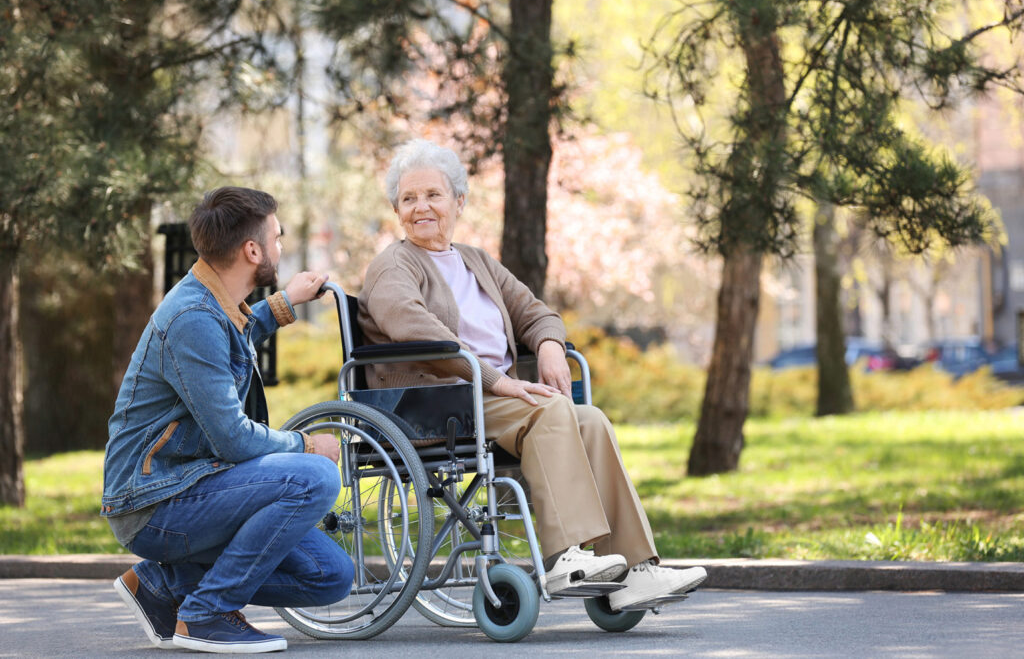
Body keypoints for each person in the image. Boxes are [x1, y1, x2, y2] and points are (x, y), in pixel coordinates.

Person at [357, 139, 706, 611]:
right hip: (435, 402)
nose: (421, 207)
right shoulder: (392, 266)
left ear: (459, 201)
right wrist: (496, 379)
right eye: (408, 198)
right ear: (397, 210)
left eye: (433, 195)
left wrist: (548, 347)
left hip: (489, 397)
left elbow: (533, 310)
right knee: (549, 411)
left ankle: (637, 569)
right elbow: (414, 328)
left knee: (592, 420)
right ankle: (567, 557)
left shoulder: (476, 261)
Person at [102, 187, 353, 653]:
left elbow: (233, 335)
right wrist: (305, 445)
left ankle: (164, 584)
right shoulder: (192, 317)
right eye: (276, 238)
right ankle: (205, 614)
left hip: (194, 486)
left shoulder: (212, 305)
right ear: (252, 250)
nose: (280, 247)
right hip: (155, 502)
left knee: (330, 577)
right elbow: (234, 440)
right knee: (314, 477)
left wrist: (285, 303)